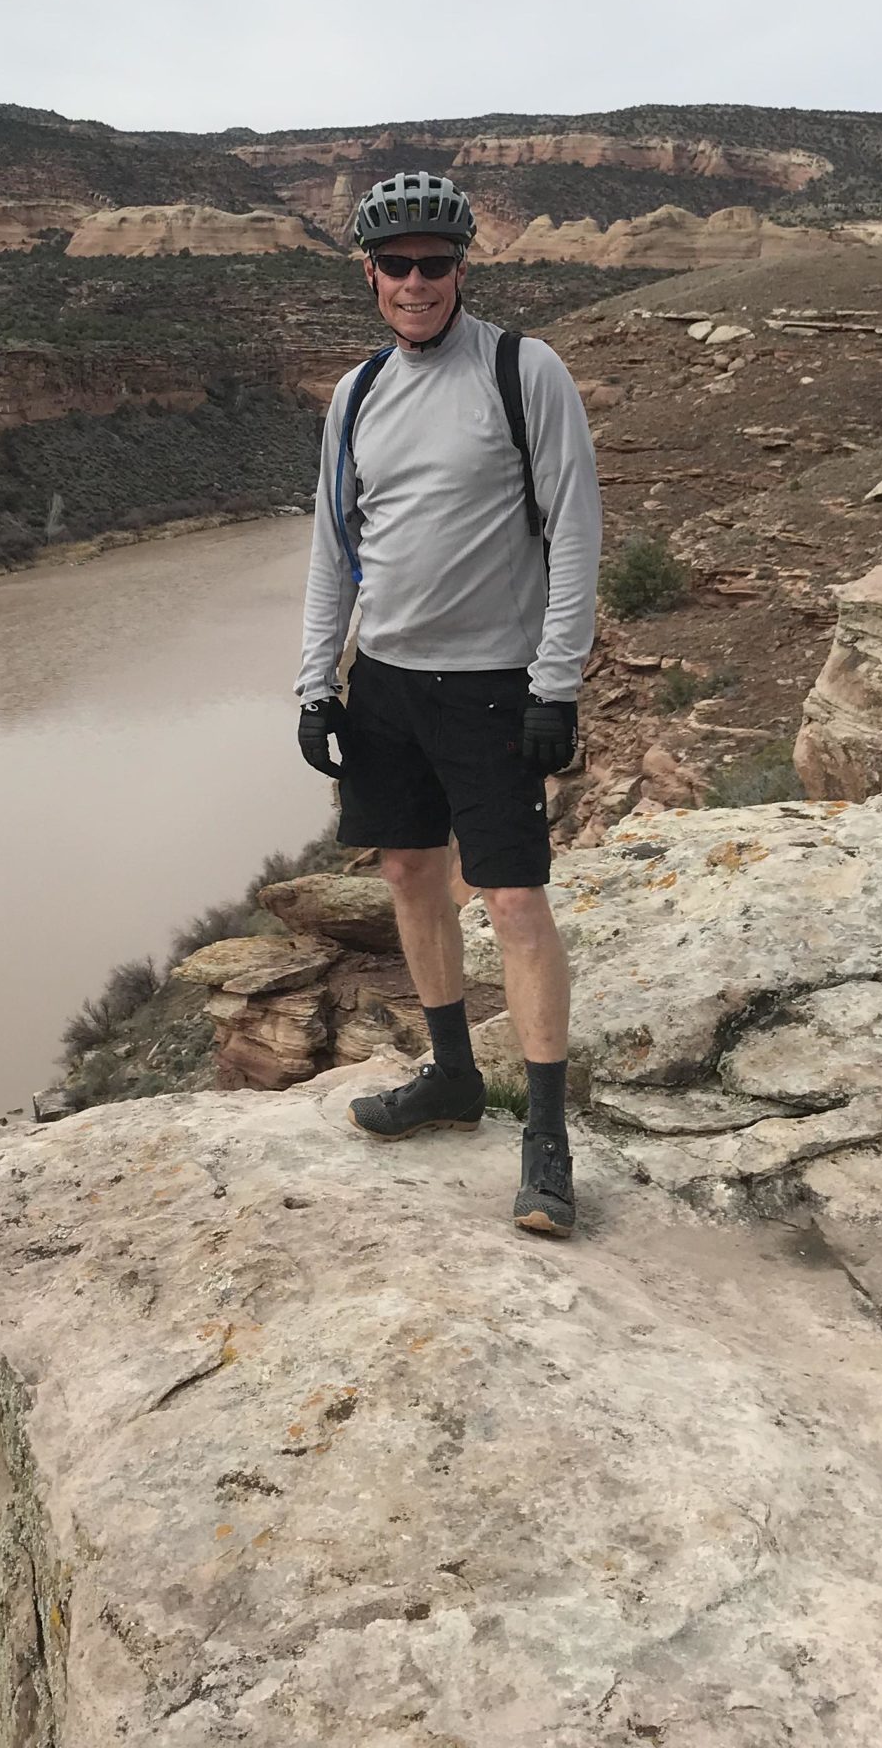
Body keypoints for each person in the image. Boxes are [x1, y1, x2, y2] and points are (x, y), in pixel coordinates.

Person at [295, 168, 601, 1235]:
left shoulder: (525, 371)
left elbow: (574, 535)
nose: (415, 281)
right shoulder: (358, 394)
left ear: (461, 267)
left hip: (492, 687)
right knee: (410, 873)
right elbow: (336, 546)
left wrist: (555, 683)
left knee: (512, 902)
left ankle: (548, 1134)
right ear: (370, 273)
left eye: (434, 263)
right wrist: (315, 682)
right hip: (383, 683)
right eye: (396, 264)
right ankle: (454, 1076)